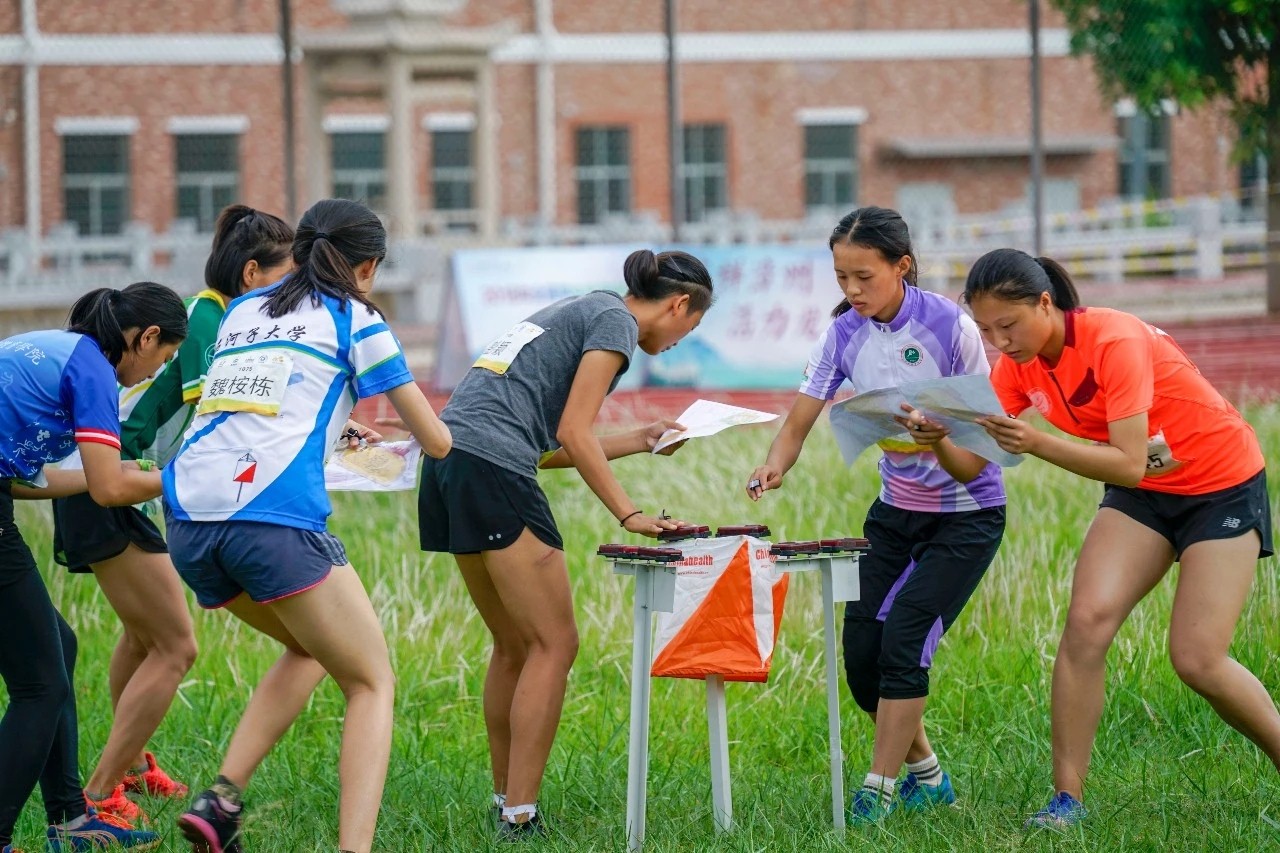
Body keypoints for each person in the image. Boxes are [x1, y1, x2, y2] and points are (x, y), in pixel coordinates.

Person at [164, 198, 451, 853]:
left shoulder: (245, 309)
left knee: (312, 646)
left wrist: (353, 440)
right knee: (371, 679)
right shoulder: (359, 317)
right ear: (368, 266)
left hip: (187, 517)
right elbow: (435, 441)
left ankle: (220, 801)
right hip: (272, 519)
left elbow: (263, 406)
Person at [964, 248, 1277, 828]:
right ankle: (1067, 801)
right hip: (1147, 494)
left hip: (1220, 484)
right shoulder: (1016, 367)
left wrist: (1035, 443)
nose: (999, 343)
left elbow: (1130, 462)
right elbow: (970, 455)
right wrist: (930, 434)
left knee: (1197, 658)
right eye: (985, 331)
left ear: (1044, 303)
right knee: (1086, 623)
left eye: (1008, 326)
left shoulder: (1115, 339)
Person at [412, 248, 712, 840]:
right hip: (492, 473)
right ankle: (520, 816)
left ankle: (506, 802)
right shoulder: (615, 324)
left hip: (448, 466)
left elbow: (540, 443)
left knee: (515, 645)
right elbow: (574, 431)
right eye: (692, 326)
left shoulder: (579, 309)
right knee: (555, 644)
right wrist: (629, 514)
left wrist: (639, 439)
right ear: (679, 305)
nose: (682, 340)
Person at [745, 206, 1006, 824]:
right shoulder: (842, 334)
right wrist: (774, 464)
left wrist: (936, 437)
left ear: (902, 266)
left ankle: (877, 791)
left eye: (864, 277)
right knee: (864, 656)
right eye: (841, 278)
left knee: (906, 639)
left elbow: (976, 457)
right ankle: (929, 777)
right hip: (893, 514)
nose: (852, 291)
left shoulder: (952, 327)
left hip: (967, 516)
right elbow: (803, 414)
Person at [51, 205, 296, 822]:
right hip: (110, 479)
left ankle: (130, 766)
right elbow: (221, 413)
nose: (292, 293)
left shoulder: (214, 316)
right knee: (175, 646)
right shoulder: (206, 318)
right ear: (249, 273)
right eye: (284, 277)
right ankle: (102, 789)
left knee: (143, 637)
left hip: (111, 482)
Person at [0, 281, 189, 852]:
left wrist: (125, 474)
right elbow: (109, 491)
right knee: (41, 685)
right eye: (165, 357)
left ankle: (70, 819)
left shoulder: (59, 351)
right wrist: (186, 480)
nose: (157, 371)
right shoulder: (93, 372)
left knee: (60, 648)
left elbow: (26, 480)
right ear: (146, 337)